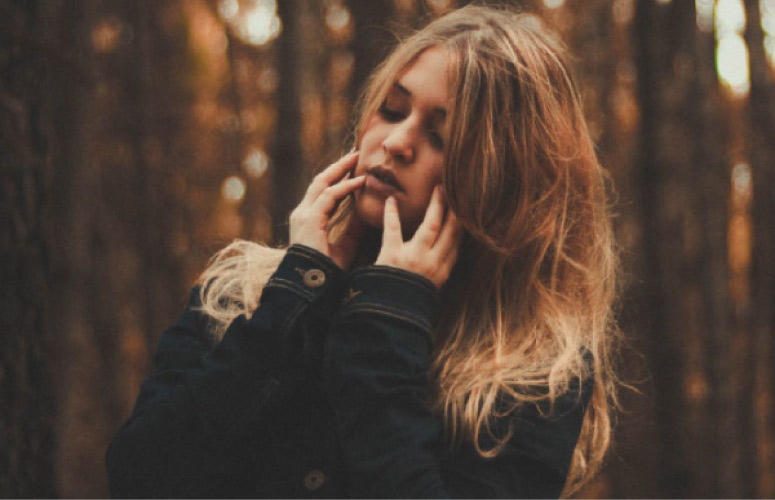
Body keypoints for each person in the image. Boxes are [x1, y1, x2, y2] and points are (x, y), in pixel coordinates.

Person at [106, 4, 620, 498]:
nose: (396, 142)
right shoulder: (241, 291)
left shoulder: (535, 379)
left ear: (503, 185)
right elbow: (139, 477)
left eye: (441, 137)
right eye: (392, 110)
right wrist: (295, 298)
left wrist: (388, 330)